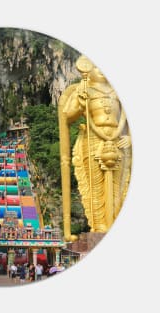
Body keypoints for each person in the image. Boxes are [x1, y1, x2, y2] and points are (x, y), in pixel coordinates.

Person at [59, 55, 132, 239]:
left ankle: (116, 223)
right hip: (93, 139)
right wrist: (80, 100)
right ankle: (99, 226)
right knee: (95, 186)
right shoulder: (83, 89)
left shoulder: (118, 92)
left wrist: (130, 138)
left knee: (119, 185)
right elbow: (67, 116)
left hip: (117, 141)